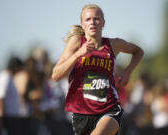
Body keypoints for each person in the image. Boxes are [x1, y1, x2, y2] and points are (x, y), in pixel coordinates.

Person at [52, 4, 144, 135]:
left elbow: (138, 52)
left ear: (103, 22)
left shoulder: (114, 44)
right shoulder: (77, 42)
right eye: (88, 19)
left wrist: (128, 71)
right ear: (82, 24)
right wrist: (78, 54)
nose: (92, 22)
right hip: (81, 112)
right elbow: (55, 75)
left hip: (109, 109)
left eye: (96, 19)